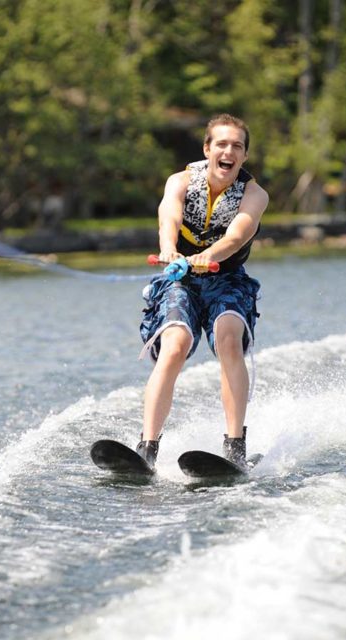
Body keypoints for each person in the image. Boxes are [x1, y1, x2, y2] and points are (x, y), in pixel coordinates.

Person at [136, 113, 269, 470]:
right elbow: (170, 219)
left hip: (227, 279)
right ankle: (147, 448)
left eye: (237, 147)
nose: (229, 152)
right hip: (181, 279)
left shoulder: (254, 195)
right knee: (175, 344)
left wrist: (204, 257)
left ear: (243, 156)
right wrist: (169, 250)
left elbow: (236, 236)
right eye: (221, 144)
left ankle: (235, 448)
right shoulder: (180, 182)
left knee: (228, 338)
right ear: (207, 149)